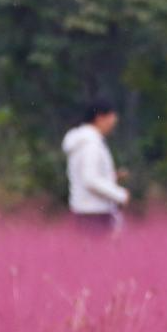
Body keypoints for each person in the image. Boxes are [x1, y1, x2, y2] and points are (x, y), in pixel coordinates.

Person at [61, 100, 130, 234]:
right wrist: (120, 194)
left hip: (85, 211)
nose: (114, 122)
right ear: (99, 118)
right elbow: (90, 179)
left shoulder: (85, 142)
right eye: (112, 117)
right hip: (95, 214)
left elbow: (88, 175)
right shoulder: (90, 144)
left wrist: (112, 176)